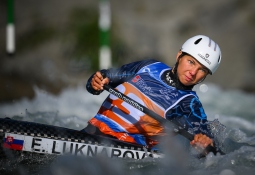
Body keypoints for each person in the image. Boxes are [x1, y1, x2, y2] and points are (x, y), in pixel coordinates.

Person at [84, 35, 222, 153]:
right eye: (191, 62)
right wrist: (96, 82)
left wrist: (205, 143)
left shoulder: (189, 104)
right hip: (90, 133)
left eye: (202, 70)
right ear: (179, 55)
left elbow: (207, 140)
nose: (193, 72)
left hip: (126, 152)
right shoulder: (149, 67)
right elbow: (104, 77)